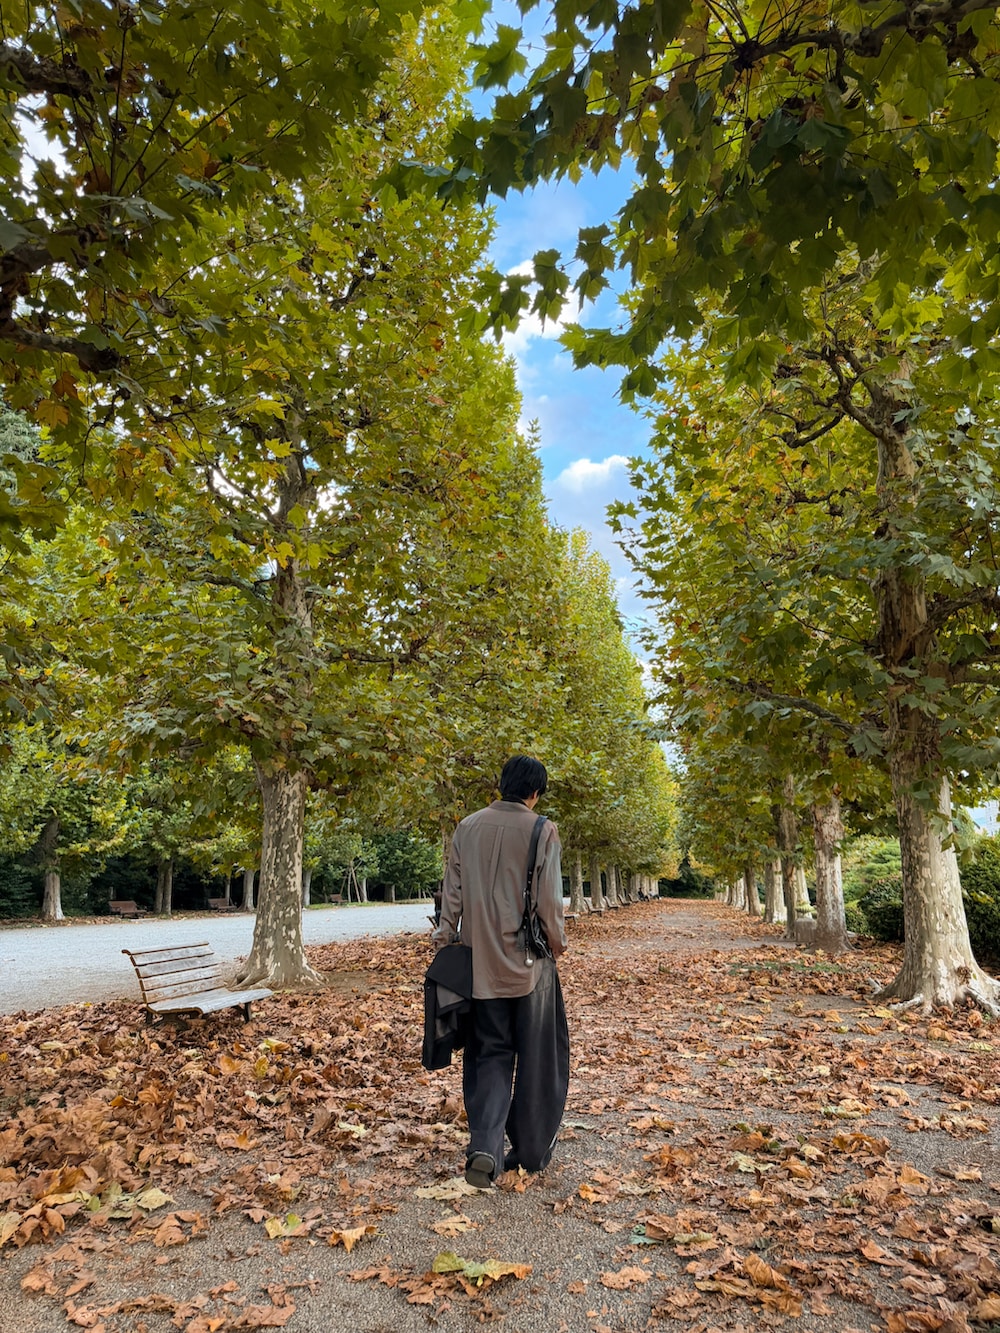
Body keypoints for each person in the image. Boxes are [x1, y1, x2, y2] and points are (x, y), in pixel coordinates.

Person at [433, 755, 569, 1189]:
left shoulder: (467, 827)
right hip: (530, 968)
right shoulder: (541, 829)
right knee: (537, 1058)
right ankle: (529, 1150)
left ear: (502, 784)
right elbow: (549, 903)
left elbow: (451, 892)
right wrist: (557, 943)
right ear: (534, 792)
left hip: (479, 965)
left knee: (488, 1053)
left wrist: (445, 939)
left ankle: (485, 1147)